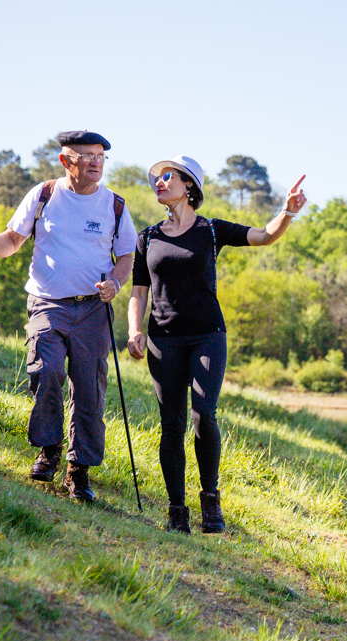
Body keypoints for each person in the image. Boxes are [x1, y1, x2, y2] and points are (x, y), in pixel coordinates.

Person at [126, 156, 307, 534]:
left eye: (168, 176)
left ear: (189, 186)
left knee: (203, 414)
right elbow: (138, 292)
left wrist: (286, 213)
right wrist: (134, 330)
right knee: (171, 426)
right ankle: (177, 511)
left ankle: (211, 502)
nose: (160, 181)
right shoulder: (148, 238)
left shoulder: (211, 231)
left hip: (208, 335)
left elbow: (263, 235)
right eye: (157, 177)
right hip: (164, 340)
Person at [0, 130, 136, 502]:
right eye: (87, 155)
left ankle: (79, 471)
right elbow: (10, 242)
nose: (96, 162)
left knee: (90, 390)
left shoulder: (115, 206)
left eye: (100, 156)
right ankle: (49, 451)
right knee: (47, 371)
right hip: (47, 303)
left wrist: (116, 284)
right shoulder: (44, 195)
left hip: (93, 308)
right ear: (66, 160)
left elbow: (126, 257)